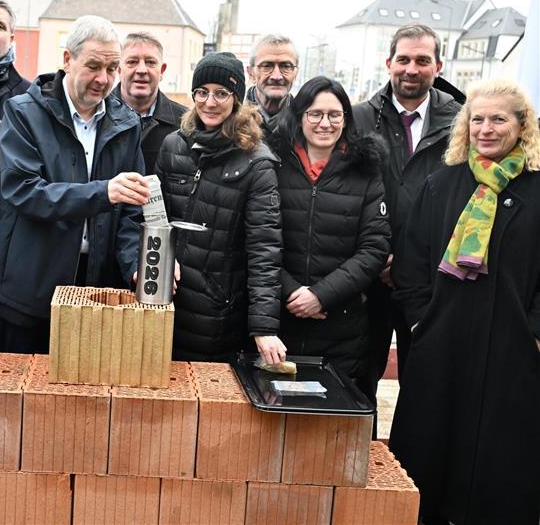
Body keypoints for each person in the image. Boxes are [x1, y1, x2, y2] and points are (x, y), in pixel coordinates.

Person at [389, 79, 540, 525]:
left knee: (501, 464)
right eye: (478, 119)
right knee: (430, 458)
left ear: (522, 126)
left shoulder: (537, 193)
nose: (486, 129)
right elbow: (411, 263)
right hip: (443, 344)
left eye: (498, 119)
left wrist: (534, 333)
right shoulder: (441, 185)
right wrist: (421, 323)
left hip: (513, 350)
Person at [0, 15, 149, 354]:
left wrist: (137, 264)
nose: (103, 79)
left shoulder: (126, 123)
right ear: (66, 60)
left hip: (97, 293)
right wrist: (102, 192)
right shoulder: (22, 113)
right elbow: (25, 192)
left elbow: (133, 213)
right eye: (93, 66)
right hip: (31, 289)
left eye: (112, 68)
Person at [353, 23, 462, 402]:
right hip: (370, 275)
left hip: (430, 279)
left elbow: (465, 201)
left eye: (422, 60)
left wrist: (413, 261)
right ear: (389, 63)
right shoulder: (360, 119)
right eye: (403, 59)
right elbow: (348, 194)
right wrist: (377, 257)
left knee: (425, 383)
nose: (411, 69)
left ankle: (412, 461)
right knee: (360, 376)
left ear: (439, 65)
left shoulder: (461, 123)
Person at [155, 51, 284, 363]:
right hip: (165, 302)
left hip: (216, 313)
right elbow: (152, 215)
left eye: (221, 93)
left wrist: (263, 326)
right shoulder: (174, 145)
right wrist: (157, 260)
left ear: (237, 98)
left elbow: (264, 248)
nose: (209, 103)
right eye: (202, 92)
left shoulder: (256, 162)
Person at [267, 76, 389, 397]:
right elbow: (257, 240)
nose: (325, 123)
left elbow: (373, 248)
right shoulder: (273, 165)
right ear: (299, 116)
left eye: (334, 115)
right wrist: (292, 293)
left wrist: (321, 295)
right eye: (315, 114)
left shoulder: (365, 170)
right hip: (279, 321)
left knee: (328, 423)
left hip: (340, 326)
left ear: (345, 119)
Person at [111, 32, 187, 174]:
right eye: (132, 62)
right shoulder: (96, 116)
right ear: (119, 69)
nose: (141, 70)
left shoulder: (186, 123)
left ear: (162, 71)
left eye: (150, 62)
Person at [245, 34, 299, 131]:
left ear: (295, 74)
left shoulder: (307, 123)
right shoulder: (230, 121)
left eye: (286, 66)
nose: (276, 76)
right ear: (251, 73)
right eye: (266, 66)